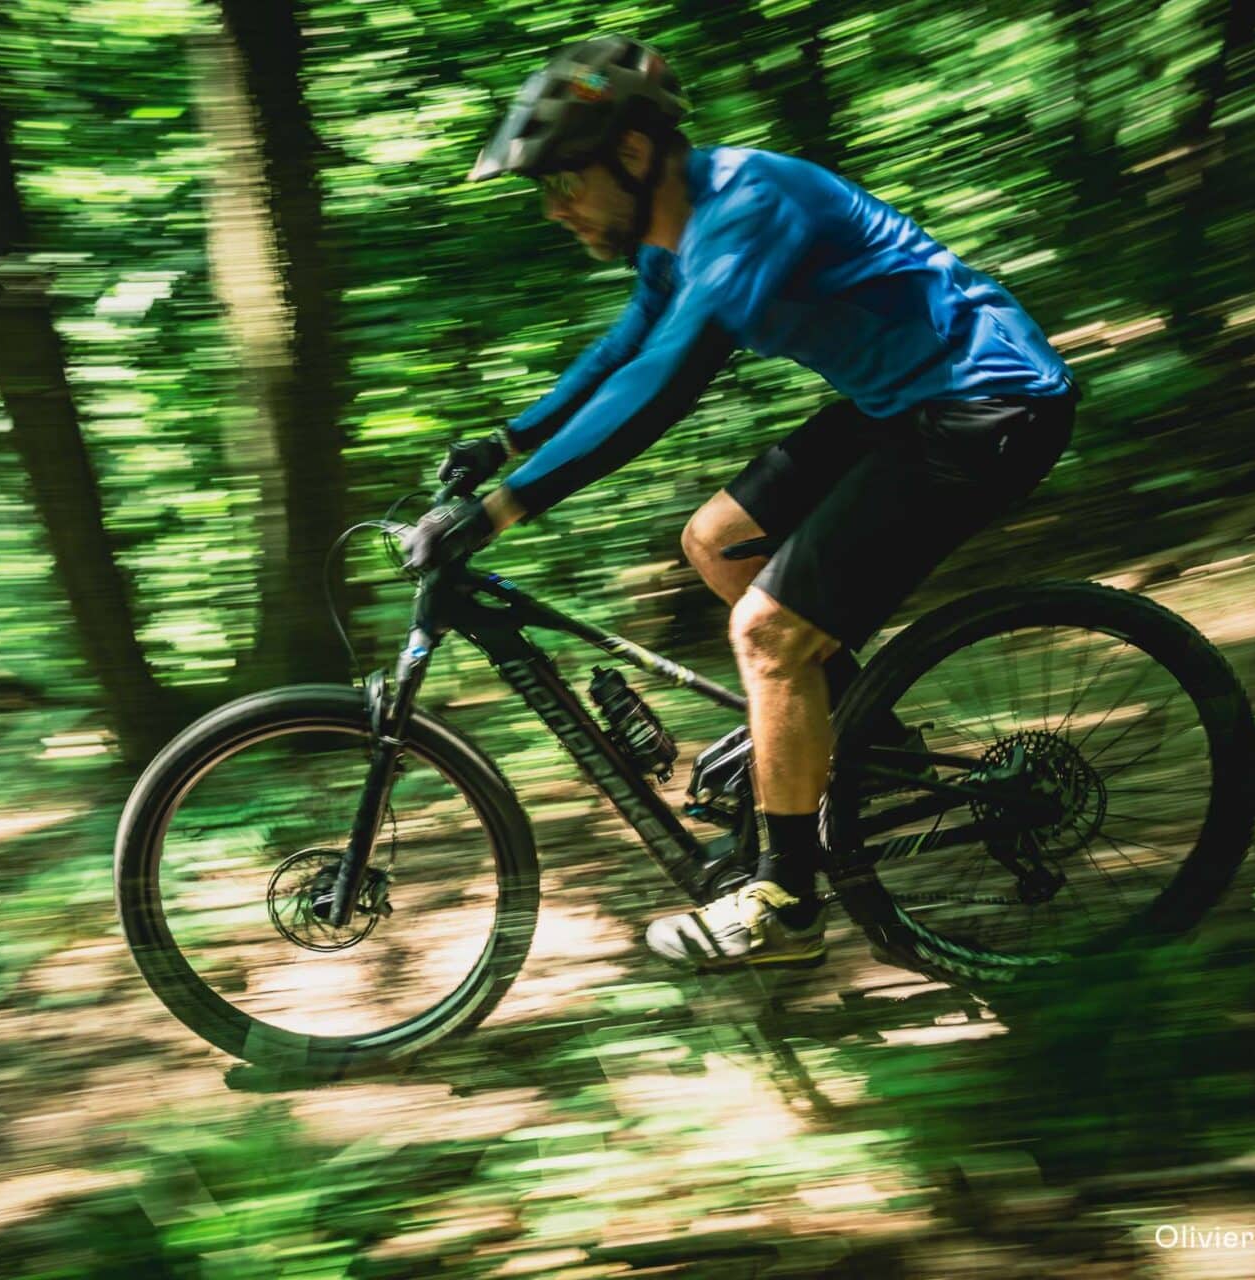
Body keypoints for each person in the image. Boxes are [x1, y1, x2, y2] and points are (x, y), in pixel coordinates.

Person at [404, 35, 1078, 971]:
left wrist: (499, 511)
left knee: (767, 633)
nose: (554, 208)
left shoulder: (749, 207)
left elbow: (667, 380)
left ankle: (786, 907)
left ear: (632, 152)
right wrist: (507, 441)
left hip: (986, 404)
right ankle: (871, 751)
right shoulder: (675, 230)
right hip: (904, 401)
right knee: (718, 540)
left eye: (562, 181)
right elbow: (625, 350)